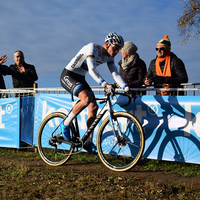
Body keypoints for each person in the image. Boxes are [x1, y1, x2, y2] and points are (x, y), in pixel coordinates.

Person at [60, 32, 130, 154]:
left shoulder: (109, 57)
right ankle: (65, 124)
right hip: (69, 75)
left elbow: (115, 73)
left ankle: (88, 142)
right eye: (116, 48)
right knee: (86, 99)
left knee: (93, 107)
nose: (117, 51)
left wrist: (126, 88)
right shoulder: (92, 48)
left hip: (80, 77)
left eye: (119, 49)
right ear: (107, 44)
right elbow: (92, 69)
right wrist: (104, 84)